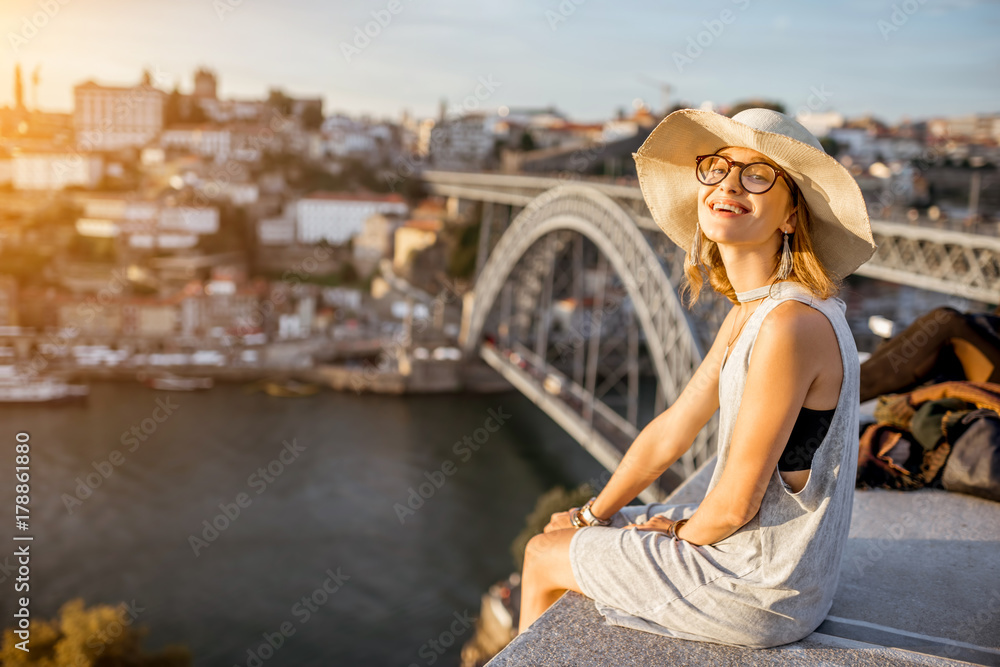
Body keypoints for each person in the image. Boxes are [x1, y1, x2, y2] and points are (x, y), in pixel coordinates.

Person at [517, 108, 879, 648]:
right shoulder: (755, 312)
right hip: (774, 569)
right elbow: (672, 430)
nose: (729, 184)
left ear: (789, 217)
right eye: (718, 169)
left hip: (761, 589)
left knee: (542, 555)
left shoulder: (790, 325)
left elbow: (736, 503)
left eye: (757, 176)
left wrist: (676, 533)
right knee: (575, 532)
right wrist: (592, 515)